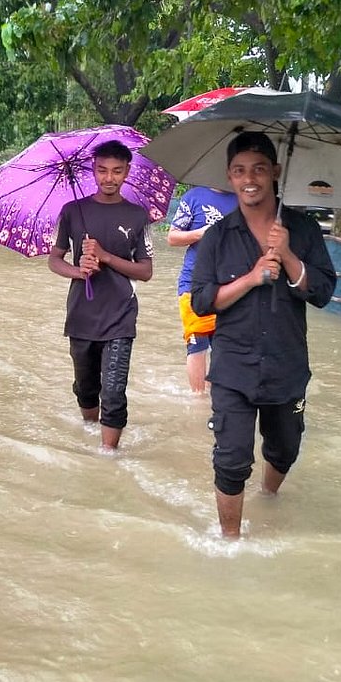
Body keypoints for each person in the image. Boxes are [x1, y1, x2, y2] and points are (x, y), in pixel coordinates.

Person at [189, 131, 335, 537]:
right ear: (230, 177)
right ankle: (230, 542)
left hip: (287, 366)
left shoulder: (303, 230)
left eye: (257, 169)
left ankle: (269, 499)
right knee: (232, 458)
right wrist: (251, 279)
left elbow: (322, 292)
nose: (248, 178)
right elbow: (201, 301)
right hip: (233, 367)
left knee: (284, 449)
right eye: (239, 171)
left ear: (275, 172)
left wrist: (288, 255)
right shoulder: (218, 237)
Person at [48, 140, 154, 451]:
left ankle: (109, 458)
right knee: (86, 389)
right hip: (81, 315)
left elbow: (145, 271)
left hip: (120, 316)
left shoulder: (138, 216)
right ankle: (88, 436)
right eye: (102, 171)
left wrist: (106, 257)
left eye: (117, 171)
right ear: (93, 171)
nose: (109, 178)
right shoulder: (72, 212)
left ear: (127, 172)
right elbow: (55, 260)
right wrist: (78, 271)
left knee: (113, 393)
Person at [167, 186, 238, 393]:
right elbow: (172, 237)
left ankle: (219, 398)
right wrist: (201, 233)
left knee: (225, 346)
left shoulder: (243, 199)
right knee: (197, 343)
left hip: (231, 285)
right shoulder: (193, 197)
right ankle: (198, 402)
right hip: (194, 283)